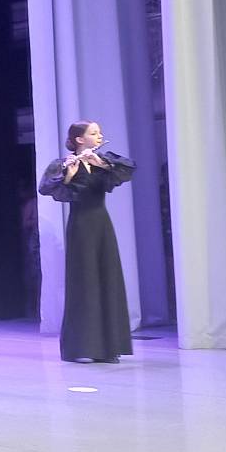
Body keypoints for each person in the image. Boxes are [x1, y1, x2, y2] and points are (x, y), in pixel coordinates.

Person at [37, 120, 135, 363]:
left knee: (107, 279)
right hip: (80, 226)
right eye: (94, 133)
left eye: (99, 132)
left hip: (102, 225)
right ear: (80, 139)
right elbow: (46, 189)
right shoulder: (63, 164)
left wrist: (100, 163)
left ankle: (109, 348)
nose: (99, 136)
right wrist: (68, 175)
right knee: (84, 282)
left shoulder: (104, 162)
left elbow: (129, 169)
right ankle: (82, 348)